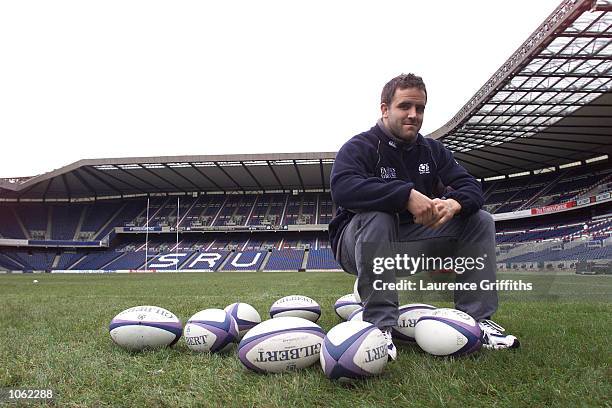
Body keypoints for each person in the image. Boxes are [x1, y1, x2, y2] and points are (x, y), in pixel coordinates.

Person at [329, 73, 519, 360]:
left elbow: (472, 188)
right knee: (378, 216)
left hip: (411, 242)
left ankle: (477, 321)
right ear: (384, 109)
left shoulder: (432, 151)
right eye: (405, 106)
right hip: (356, 244)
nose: (413, 115)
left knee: (480, 219)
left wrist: (454, 203)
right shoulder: (361, 146)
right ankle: (379, 327)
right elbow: (342, 188)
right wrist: (404, 195)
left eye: (420, 108)